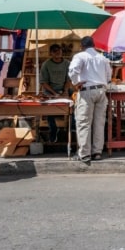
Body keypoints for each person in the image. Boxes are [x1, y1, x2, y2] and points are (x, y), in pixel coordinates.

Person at [68, 35, 111, 163]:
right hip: (101, 91)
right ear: (93, 45)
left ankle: (84, 153)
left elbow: (72, 71)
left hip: (87, 91)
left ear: (82, 46)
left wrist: (76, 83)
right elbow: (109, 76)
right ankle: (97, 151)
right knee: (99, 122)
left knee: (84, 122)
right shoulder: (103, 58)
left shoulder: (80, 56)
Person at [39, 43, 71, 141]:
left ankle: (72, 128)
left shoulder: (67, 63)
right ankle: (53, 129)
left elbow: (68, 80)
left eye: (59, 51)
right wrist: (54, 93)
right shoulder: (46, 64)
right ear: (51, 53)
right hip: (49, 90)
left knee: (73, 105)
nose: (57, 53)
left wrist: (64, 91)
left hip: (64, 88)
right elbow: (44, 82)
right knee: (49, 110)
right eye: (55, 51)